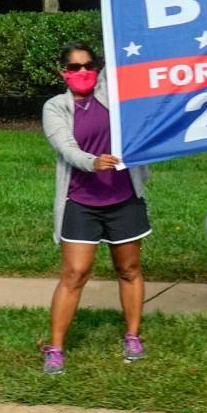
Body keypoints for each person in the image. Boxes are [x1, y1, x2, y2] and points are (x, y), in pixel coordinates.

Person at [39, 36, 152, 374]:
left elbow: (121, 50)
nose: (83, 71)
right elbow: (67, 148)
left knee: (129, 270)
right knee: (75, 273)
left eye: (89, 66)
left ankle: (132, 336)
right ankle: (55, 348)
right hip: (81, 201)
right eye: (75, 67)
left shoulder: (111, 96)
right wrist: (92, 162)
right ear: (64, 73)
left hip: (123, 199)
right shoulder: (55, 107)